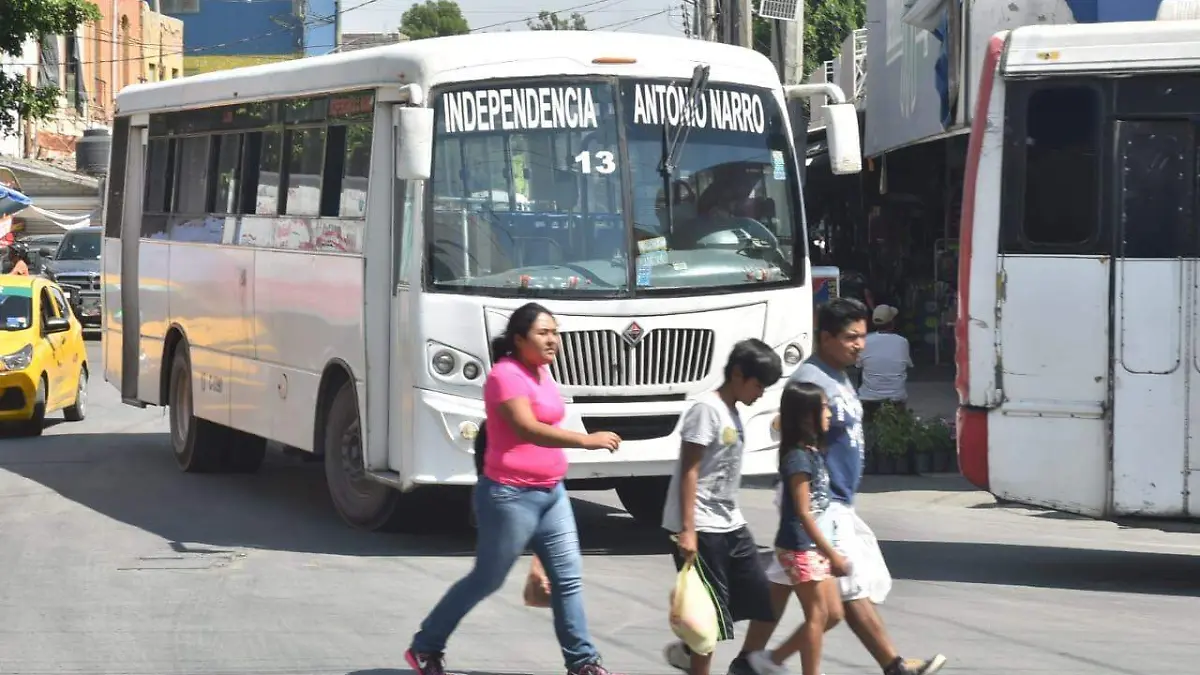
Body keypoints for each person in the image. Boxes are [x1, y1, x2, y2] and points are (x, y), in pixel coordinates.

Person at [406, 302, 623, 675]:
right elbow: (526, 428)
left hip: (552, 493)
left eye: (555, 332)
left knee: (567, 578)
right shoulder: (505, 376)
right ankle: (426, 647)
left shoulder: (542, 373)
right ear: (519, 339)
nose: (553, 340)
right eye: (543, 333)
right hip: (510, 496)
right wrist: (585, 441)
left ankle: (583, 663)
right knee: (487, 578)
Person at [760, 298, 946, 675]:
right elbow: (789, 428)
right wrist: (814, 498)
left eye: (862, 336)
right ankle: (893, 666)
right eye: (850, 337)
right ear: (825, 337)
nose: (859, 344)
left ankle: (753, 662)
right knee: (842, 596)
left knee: (791, 591)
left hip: (836, 499)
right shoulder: (812, 381)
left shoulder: (841, 373)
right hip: (821, 502)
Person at [661, 338, 783, 675]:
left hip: (730, 522)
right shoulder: (706, 410)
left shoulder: (732, 412)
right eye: (758, 384)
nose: (760, 393)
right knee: (707, 620)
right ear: (738, 374)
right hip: (700, 525)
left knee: (762, 598)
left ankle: (736, 664)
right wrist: (687, 530)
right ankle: (694, 656)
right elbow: (690, 469)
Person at [747, 381, 846, 675]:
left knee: (834, 614)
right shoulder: (798, 458)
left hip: (813, 547)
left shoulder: (811, 451)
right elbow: (803, 513)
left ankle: (772, 659)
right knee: (818, 615)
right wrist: (832, 554)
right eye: (824, 407)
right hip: (801, 547)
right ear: (806, 416)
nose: (830, 413)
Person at [857, 304, 913, 424]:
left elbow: (858, 365)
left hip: (869, 398)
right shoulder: (902, 342)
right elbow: (907, 365)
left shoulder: (864, 341)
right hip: (896, 398)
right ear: (892, 322)